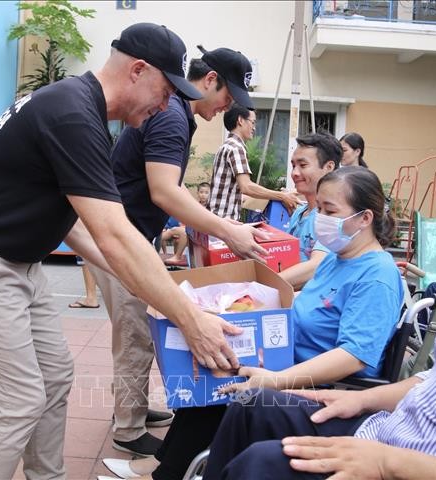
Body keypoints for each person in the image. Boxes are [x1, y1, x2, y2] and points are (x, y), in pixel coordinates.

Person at [0, 23, 244, 480]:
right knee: (17, 399)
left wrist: (149, 282)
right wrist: (189, 319)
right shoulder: (72, 113)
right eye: (164, 89)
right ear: (138, 70)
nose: (166, 103)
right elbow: (114, 233)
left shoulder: (81, 108)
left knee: (55, 378)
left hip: (20, 263)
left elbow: (79, 225)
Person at [202, 122, 436, 480]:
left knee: (260, 460)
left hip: (412, 461)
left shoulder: (377, 274)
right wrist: (359, 401)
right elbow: (435, 380)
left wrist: (384, 463)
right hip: (387, 430)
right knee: (245, 405)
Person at [100, 166, 404, 480]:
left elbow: (353, 356)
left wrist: (276, 379)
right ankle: (165, 465)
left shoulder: (377, 276)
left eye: (329, 211)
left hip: (317, 385)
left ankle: (167, 473)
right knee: (213, 362)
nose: (320, 220)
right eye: (319, 209)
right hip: (284, 362)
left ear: (365, 218)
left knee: (227, 389)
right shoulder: (336, 260)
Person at [91, 45, 271, 457]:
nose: (226, 108)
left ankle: (132, 408)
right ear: (209, 81)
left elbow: (161, 185)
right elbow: (163, 191)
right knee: (136, 331)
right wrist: (228, 230)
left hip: (131, 235)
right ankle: (128, 427)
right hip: (123, 238)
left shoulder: (173, 113)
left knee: (140, 327)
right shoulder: (173, 117)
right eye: (228, 98)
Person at [208, 103, 301, 220]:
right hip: (223, 222)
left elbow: (230, 189)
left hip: (215, 219)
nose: (254, 127)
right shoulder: (237, 148)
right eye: (253, 122)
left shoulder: (226, 146)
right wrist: (282, 196)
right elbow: (246, 187)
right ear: (240, 120)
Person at [278, 133, 342, 291]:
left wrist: (267, 284)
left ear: (328, 167)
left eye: (303, 165)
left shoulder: (332, 216)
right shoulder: (299, 212)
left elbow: (316, 265)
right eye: (293, 165)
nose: (294, 173)